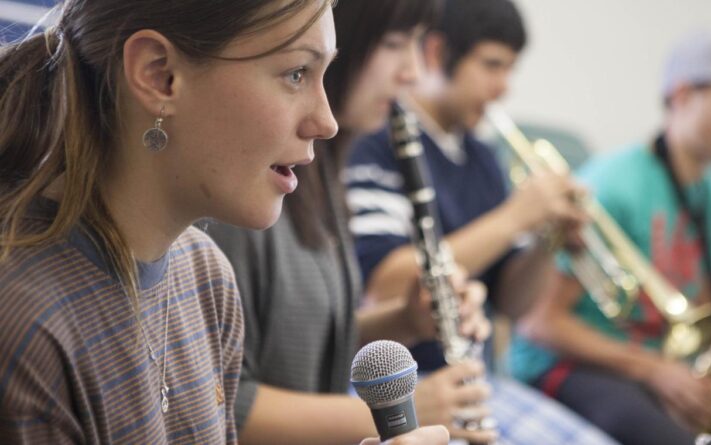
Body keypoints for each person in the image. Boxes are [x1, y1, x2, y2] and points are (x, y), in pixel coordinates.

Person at [0, 1, 446, 444]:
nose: (325, 122)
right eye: (296, 74)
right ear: (160, 75)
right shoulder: (27, 325)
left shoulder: (205, 275)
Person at [206, 1, 499, 444]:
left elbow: (301, 344)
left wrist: (405, 320)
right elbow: (226, 400)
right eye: (396, 44)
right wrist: (405, 409)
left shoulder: (320, 173)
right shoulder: (242, 190)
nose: (413, 72)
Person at [344, 1, 618, 444]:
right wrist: (514, 218)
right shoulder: (375, 140)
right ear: (435, 52)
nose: (502, 88)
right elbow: (384, 283)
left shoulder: (483, 157)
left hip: (476, 380)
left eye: (510, 69)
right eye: (491, 66)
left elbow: (513, 304)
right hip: (398, 388)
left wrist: (547, 240)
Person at [507, 29, 711, 445]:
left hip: (648, 367)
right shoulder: (614, 185)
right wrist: (654, 371)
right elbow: (540, 323)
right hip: (563, 366)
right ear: (682, 96)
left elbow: (699, 310)